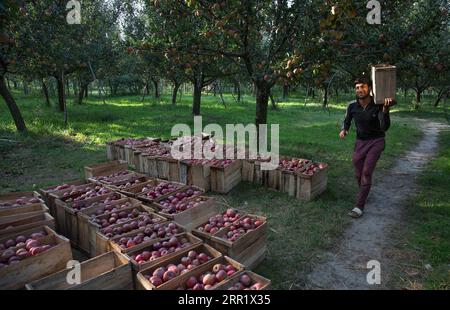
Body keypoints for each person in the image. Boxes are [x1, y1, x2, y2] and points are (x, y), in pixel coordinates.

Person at [339, 76, 396, 218]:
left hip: (376, 141)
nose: (360, 90)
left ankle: (359, 206)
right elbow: (347, 120)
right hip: (360, 142)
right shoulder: (352, 106)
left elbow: (385, 127)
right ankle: (365, 191)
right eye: (357, 87)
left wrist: (385, 110)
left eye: (363, 87)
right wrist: (344, 129)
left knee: (366, 172)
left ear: (369, 88)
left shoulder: (378, 104)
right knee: (358, 173)